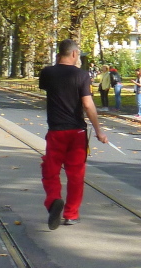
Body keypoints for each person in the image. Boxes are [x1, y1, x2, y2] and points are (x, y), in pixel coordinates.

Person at [38, 39, 108, 229]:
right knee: (76, 175)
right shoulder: (82, 75)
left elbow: (48, 89)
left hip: (56, 131)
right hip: (77, 132)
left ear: (59, 53)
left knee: (50, 171)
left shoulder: (47, 73)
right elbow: (87, 104)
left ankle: (53, 200)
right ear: (75, 54)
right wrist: (99, 130)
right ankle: (71, 214)